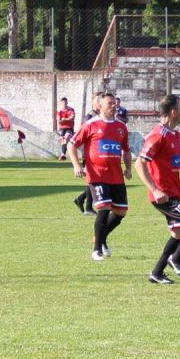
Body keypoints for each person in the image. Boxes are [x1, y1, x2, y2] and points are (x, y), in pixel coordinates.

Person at [135, 94, 180, 285]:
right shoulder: (158, 135)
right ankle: (176, 259)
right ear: (174, 112)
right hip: (164, 195)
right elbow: (139, 163)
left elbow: (177, 161)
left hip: (175, 193)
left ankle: (156, 273)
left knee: (178, 233)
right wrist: (155, 190)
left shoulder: (175, 135)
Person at [67, 92, 132, 261]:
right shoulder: (91, 124)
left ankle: (101, 239)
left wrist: (129, 169)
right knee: (103, 209)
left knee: (120, 212)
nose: (113, 106)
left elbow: (126, 149)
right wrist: (76, 165)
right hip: (97, 174)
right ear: (100, 106)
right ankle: (97, 250)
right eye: (109, 103)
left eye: (114, 103)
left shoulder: (121, 127)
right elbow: (71, 144)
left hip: (116, 175)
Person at [73, 91, 104, 216]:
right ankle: (88, 207)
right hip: (90, 154)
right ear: (94, 103)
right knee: (93, 181)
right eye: (98, 101)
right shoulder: (90, 117)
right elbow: (83, 136)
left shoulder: (100, 116)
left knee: (95, 180)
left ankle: (82, 200)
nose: (100, 104)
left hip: (98, 154)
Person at [57, 97, 76, 162]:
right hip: (61, 128)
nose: (64, 103)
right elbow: (59, 121)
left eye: (65, 102)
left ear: (67, 102)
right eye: (63, 102)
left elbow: (72, 118)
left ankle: (63, 154)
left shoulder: (71, 109)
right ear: (61, 103)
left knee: (66, 137)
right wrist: (68, 119)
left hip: (69, 127)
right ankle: (63, 155)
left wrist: (64, 119)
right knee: (63, 139)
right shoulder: (59, 111)